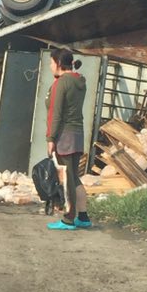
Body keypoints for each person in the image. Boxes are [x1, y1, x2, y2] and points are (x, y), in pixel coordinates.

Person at [46, 48, 90, 230]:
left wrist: (51, 138)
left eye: (50, 62)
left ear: (57, 63)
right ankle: (83, 216)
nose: (50, 66)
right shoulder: (79, 81)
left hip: (64, 136)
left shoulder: (61, 83)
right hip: (77, 134)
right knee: (74, 177)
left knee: (68, 178)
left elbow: (55, 114)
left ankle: (68, 219)